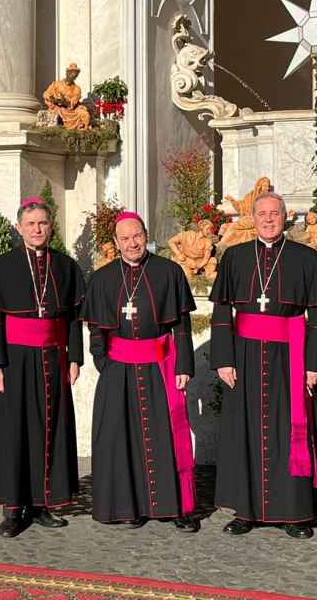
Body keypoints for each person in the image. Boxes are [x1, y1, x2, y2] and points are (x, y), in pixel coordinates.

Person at [210, 192, 317, 539]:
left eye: (274, 214)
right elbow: (222, 313)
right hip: (245, 356)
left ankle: (294, 514)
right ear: (252, 218)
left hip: (289, 356)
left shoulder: (305, 258)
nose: (268, 219)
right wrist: (223, 359)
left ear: (285, 217)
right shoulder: (234, 257)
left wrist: (314, 364)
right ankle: (245, 510)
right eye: (262, 214)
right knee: (244, 432)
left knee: (288, 431)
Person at [0, 197, 86, 538]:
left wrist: (74, 357)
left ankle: (42, 504)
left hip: (52, 358)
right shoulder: (0, 267)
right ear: (19, 228)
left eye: (43, 223)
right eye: (31, 223)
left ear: (51, 227)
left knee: (49, 428)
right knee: (14, 431)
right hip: (14, 359)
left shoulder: (65, 266)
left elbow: (73, 319)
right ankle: (12, 508)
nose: (38, 229)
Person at [81, 211, 199, 532]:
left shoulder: (169, 272)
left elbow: (182, 326)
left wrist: (184, 365)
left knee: (168, 436)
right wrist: (104, 364)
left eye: (137, 236)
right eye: (125, 238)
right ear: (116, 243)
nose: (133, 243)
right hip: (118, 369)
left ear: (146, 236)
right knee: (122, 439)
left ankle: (176, 508)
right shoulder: (103, 279)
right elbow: (96, 331)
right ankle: (128, 506)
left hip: (160, 366)